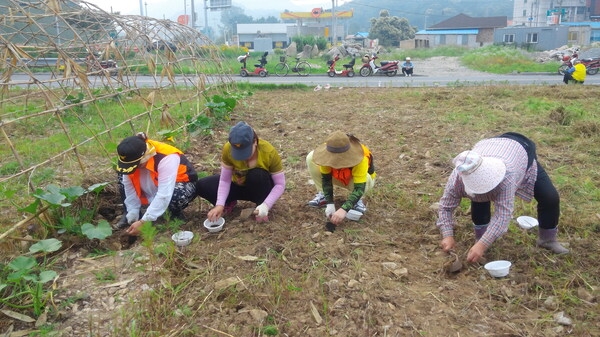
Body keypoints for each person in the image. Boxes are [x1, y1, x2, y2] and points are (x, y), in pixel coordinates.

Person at [436, 132, 569, 264]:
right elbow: (445, 207)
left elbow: (503, 215)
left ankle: (547, 240)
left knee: (549, 197)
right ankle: (481, 237)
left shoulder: (506, 175)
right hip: (490, 146)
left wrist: (482, 245)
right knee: (478, 198)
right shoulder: (458, 177)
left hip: (520, 150)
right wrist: (447, 235)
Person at [196, 121, 285, 223]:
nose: (242, 157)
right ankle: (229, 202)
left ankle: (260, 206)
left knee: (257, 175)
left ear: (255, 142)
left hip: (258, 187)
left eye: (245, 151)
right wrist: (220, 204)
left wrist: (266, 205)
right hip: (237, 185)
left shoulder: (268, 151)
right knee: (202, 185)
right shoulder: (228, 149)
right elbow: (225, 180)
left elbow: (280, 184)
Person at [115, 132, 198, 236]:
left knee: (176, 196)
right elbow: (128, 186)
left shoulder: (167, 158)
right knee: (122, 175)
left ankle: (172, 215)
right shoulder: (129, 158)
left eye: (137, 165)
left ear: (145, 157)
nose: (135, 167)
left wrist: (144, 222)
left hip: (178, 186)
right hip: (153, 189)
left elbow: (164, 194)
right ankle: (132, 213)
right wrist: (133, 213)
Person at [306, 131, 376, 228]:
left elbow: (359, 188)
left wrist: (344, 209)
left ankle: (357, 201)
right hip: (337, 176)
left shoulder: (360, 158)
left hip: (356, 182)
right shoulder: (326, 154)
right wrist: (330, 202)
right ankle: (323, 196)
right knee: (311, 157)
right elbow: (326, 180)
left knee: (367, 178)